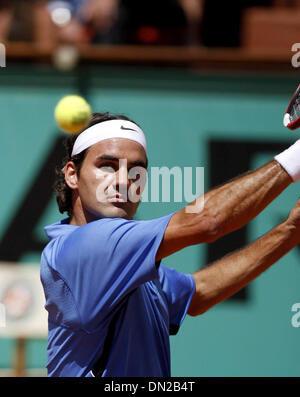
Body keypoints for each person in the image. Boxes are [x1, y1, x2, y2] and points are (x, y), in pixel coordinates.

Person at [41, 111, 300, 377]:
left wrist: (290, 230)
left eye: (136, 171)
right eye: (107, 166)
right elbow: (208, 221)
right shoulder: (84, 249)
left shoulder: (126, 264)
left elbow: (198, 293)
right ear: (72, 175)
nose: (123, 180)